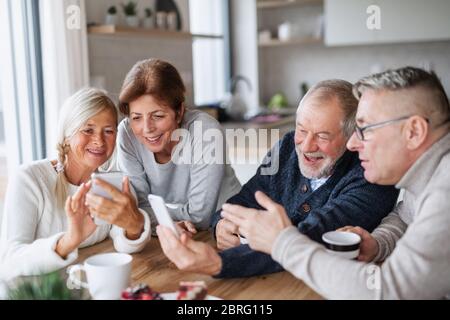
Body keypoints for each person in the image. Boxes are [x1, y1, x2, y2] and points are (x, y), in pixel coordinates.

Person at [220, 66, 450, 299]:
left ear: (414, 132)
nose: (353, 143)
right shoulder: (428, 173)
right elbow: (404, 217)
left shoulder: (445, 192)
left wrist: (282, 243)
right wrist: (378, 244)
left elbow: (385, 292)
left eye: (366, 129)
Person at [156, 79, 399, 278]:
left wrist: (220, 263)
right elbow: (244, 199)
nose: (306, 145)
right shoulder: (286, 148)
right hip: (266, 281)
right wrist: (221, 223)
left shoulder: (372, 175)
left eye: (323, 136)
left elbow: (310, 237)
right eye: (302, 130)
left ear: (351, 137)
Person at [0, 88, 151, 281]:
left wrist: (134, 225)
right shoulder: (30, 179)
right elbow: (10, 261)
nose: (99, 140)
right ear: (67, 134)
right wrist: (69, 240)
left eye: (108, 131)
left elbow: (123, 241)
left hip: (84, 285)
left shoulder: (110, 183)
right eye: (88, 130)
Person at [116, 58, 241, 232]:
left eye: (158, 116)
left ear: (179, 111)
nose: (147, 129)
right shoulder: (127, 134)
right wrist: (160, 222)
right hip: (177, 231)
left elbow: (200, 217)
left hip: (230, 227)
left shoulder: (205, 131)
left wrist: (147, 219)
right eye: (136, 117)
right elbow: (138, 206)